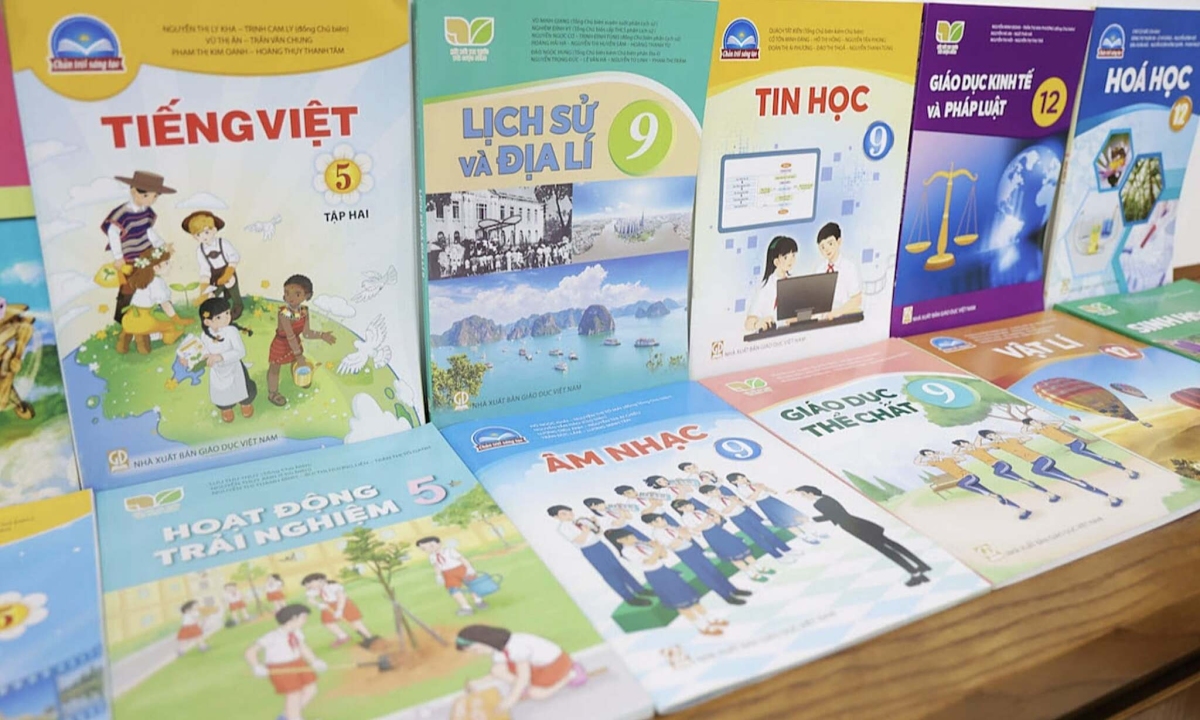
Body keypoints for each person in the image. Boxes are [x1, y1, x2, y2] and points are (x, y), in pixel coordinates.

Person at [792, 486, 932, 586]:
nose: (803, 497)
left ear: (810, 493)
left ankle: (915, 573)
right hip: (858, 523)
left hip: (854, 527)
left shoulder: (819, 503)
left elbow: (832, 515)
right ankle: (922, 566)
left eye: (803, 494)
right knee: (890, 544)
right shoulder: (825, 497)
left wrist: (810, 520)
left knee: (885, 549)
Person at [607, 529, 725, 636]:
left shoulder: (641, 544)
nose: (633, 537)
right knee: (680, 602)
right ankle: (702, 626)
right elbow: (650, 562)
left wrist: (658, 548)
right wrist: (657, 549)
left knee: (689, 596)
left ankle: (710, 619)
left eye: (631, 534)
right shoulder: (627, 552)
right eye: (628, 537)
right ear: (619, 540)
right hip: (655, 575)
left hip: (665, 570)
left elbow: (664, 555)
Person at [457, 625, 586, 713]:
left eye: (475, 649)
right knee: (497, 669)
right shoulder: (498, 648)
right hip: (536, 666)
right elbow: (497, 672)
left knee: (536, 693)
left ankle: (570, 676)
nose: (477, 653)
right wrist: (477, 682)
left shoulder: (516, 646)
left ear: (484, 640)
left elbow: (524, 676)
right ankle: (525, 688)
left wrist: (510, 700)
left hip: (555, 664)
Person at [980, 428, 1122, 507]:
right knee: (1066, 478)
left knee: (1038, 471)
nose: (993, 437)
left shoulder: (1012, 439)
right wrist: (987, 438)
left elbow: (1026, 436)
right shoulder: (996, 445)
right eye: (991, 437)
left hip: (1042, 460)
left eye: (993, 435)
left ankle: (1058, 487)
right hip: (1035, 462)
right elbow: (980, 447)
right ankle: (1109, 496)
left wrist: (1004, 433)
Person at [102, 170, 174, 323]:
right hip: (129, 257)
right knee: (129, 286)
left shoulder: (146, 212)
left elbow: (149, 231)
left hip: (146, 254)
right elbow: (113, 233)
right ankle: (121, 318)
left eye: (155, 196)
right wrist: (118, 257)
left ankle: (163, 311)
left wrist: (161, 245)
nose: (152, 200)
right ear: (134, 192)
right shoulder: (122, 213)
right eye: (147, 196)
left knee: (152, 280)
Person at [547, 505, 652, 606]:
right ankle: (629, 598)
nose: (569, 514)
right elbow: (579, 541)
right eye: (564, 513)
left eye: (569, 512)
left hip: (600, 545)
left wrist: (595, 524)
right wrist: (585, 531)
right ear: (556, 517)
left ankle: (639, 590)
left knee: (619, 568)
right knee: (609, 573)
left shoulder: (580, 522)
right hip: (590, 550)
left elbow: (598, 533)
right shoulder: (563, 528)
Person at [644, 513, 750, 606]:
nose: (663, 521)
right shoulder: (657, 534)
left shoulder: (670, 527)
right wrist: (681, 535)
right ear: (652, 524)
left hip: (692, 548)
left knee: (713, 570)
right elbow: (673, 544)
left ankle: (732, 589)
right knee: (705, 574)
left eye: (662, 519)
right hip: (685, 553)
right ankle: (726, 596)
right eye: (659, 521)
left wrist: (681, 535)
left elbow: (688, 537)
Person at [245, 604, 327, 720]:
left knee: (311, 689)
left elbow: (302, 647)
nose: (305, 620)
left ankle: (286, 715)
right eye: (303, 617)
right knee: (293, 695)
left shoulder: (297, 632)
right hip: (281, 668)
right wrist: (256, 666)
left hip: (298, 663)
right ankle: (294, 717)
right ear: (293, 618)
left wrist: (314, 661)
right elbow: (250, 651)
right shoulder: (273, 636)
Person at [267, 274, 336, 407]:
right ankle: (273, 393)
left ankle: (301, 379)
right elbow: (290, 335)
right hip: (281, 344)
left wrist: (322, 335)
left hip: (295, 344)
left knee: (296, 365)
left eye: (297, 294)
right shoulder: (283, 313)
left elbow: (306, 333)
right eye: (287, 293)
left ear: (307, 296)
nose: (290, 297)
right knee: (275, 368)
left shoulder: (304, 311)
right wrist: (299, 355)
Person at [116, 245, 193, 355]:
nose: (170, 266)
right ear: (156, 267)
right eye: (167, 263)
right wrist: (177, 319)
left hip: (129, 318)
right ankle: (149, 336)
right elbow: (165, 305)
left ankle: (129, 339)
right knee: (172, 327)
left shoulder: (141, 279)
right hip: (146, 320)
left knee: (137, 325)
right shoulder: (156, 282)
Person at [916, 448, 1031, 519]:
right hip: (964, 480)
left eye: (931, 453)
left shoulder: (947, 459)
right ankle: (1022, 510)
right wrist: (922, 455)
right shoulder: (934, 463)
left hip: (969, 477)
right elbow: (917, 462)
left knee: (962, 484)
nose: (930, 456)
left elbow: (961, 458)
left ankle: (992, 495)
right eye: (928, 455)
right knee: (993, 495)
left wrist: (944, 453)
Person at [673, 499, 770, 583]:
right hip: (710, 534)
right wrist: (706, 522)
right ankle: (751, 573)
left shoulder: (699, 512)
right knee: (731, 554)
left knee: (740, 548)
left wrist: (716, 517)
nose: (690, 506)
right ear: (680, 509)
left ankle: (759, 567)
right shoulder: (685, 518)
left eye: (690, 504)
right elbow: (696, 529)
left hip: (719, 530)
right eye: (686, 506)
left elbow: (716, 522)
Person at [699, 484, 794, 562]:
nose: (717, 491)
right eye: (713, 491)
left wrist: (741, 502)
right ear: (707, 494)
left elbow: (742, 504)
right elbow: (725, 511)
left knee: (765, 531)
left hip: (746, 514)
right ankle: (777, 556)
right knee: (756, 536)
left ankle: (786, 549)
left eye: (716, 489)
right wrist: (734, 502)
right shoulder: (712, 503)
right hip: (737, 518)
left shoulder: (727, 497)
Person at [1020, 418, 1140, 479]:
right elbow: (1024, 433)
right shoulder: (1038, 431)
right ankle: (1124, 469)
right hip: (1069, 445)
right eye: (1032, 424)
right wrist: (1026, 424)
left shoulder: (1050, 425)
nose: (1035, 424)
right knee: (1095, 457)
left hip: (1075, 443)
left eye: (1035, 422)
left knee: (1095, 457)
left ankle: (1124, 468)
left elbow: (1060, 422)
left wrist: (1042, 421)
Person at [199, 297, 256, 423]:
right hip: (218, 370)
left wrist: (221, 357)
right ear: (207, 322)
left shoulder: (231, 331)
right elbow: (203, 350)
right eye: (219, 317)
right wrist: (204, 356)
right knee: (221, 391)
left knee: (244, 386)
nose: (226, 318)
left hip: (234, 366)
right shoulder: (205, 335)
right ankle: (226, 407)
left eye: (227, 313)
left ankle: (245, 403)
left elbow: (240, 351)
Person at [951, 437, 1060, 503]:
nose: (965, 447)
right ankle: (1048, 493)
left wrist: (977, 439)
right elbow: (955, 453)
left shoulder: (981, 447)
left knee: (1000, 474)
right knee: (1017, 478)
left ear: (968, 442)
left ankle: (1023, 481)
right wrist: (959, 446)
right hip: (996, 466)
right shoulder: (968, 452)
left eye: (965, 444)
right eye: (963, 446)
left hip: (1000, 464)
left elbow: (979, 444)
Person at [726, 473, 822, 545]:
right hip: (764, 503)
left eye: (743, 477)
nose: (744, 478)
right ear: (734, 482)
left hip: (772, 499)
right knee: (784, 521)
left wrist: (771, 490)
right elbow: (752, 498)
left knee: (794, 515)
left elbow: (764, 488)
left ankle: (813, 532)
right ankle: (804, 537)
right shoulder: (741, 489)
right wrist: (759, 489)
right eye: (741, 478)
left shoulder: (753, 482)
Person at [186, 211, 244, 320]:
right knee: (213, 295)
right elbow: (205, 270)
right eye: (198, 234)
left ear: (214, 230)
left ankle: (236, 309)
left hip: (227, 270)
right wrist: (204, 289)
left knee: (232, 290)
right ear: (194, 237)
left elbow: (234, 257)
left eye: (206, 232)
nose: (203, 237)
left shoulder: (223, 243)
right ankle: (219, 315)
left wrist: (228, 274)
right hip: (213, 275)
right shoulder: (200, 250)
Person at [416, 536, 488, 616]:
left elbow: (462, 559)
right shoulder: (432, 556)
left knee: (472, 584)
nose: (429, 549)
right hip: (447, 573)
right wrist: (438, 576)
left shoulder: (449, 551)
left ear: (439, 543)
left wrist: (469, 568)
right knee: (453, 590)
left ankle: (478, 601)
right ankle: (466, 607)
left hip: (461, 569)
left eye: (431, 546)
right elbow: (436, 566)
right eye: (424, 549)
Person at [301, 573, 376, 648]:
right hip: (329, 606)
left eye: (309, 583)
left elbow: (341, 597)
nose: (308, 586)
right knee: (327, 622)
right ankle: (343, 636)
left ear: (320, 580)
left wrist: (339, 610)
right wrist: (318, 604)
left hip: (344, 605)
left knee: (354, 622)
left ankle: (369, 637)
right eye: (307, 585)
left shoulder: (333, 587)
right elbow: (310, 600)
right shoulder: (316, 590)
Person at [809, 222, 862, 321]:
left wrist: (837, 312)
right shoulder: (820, 270)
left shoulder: (848, 267)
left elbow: (857, 299)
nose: (827, 249)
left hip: (843, 319)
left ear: (839, 241)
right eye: (822, 247)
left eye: (830, 243)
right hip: (822, 321)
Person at [745, 235, 798, 333]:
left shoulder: (795, 282)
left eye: (793, 255)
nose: (791, 260)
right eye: (786, 257)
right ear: (776, 261)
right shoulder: (765, 287)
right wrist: (758, 323)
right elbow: (748, 323)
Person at [583, 497, 650, 541]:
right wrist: (621, 511)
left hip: (628, 527)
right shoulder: (598, 517)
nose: (604, 505)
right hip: (619, 533)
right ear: (592, 507)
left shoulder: (611, 508)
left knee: (645, 540)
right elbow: (618, 523)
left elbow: (629, 517)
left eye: (603, 503)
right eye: (598, 505)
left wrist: (623, 509)